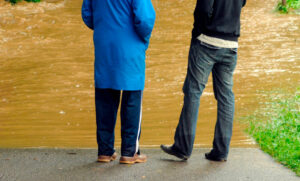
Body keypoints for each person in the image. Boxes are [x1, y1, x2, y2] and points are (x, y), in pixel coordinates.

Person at [161, 0, 247, 161]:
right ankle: (221, 151)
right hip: (231, 43)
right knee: (226, 97)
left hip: (207, 41)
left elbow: (203, 9)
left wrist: (197, 32)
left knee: (193, 92)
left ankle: (183, 146)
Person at [81, 0, 155, 164]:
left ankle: (105, 151)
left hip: (104, 45)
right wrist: (143, 38)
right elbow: (145, 19)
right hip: (130, 46)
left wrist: (104, 26)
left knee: (105, 98)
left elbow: (87, 14)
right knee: (132, 98)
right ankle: (129, 152)